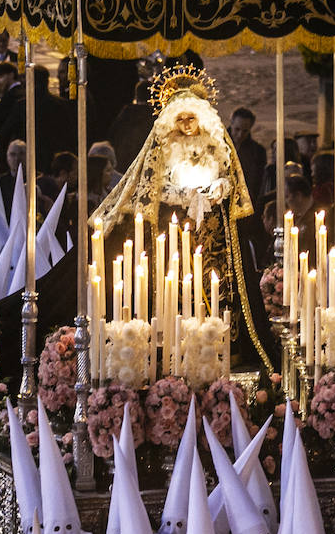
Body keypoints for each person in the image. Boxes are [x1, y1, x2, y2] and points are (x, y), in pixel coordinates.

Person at [89, 67, 271, 370]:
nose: (187, 125)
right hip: (174, 228)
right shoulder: (161, 149)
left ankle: (219, 343)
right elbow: (151, 187)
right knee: (174, 287)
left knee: (214, 291)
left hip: (211, 232)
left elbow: (230, 181)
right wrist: (179, 196)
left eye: (192, 119)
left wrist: (218, 188)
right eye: (181, 119)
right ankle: (173, 344)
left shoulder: (216, 145)